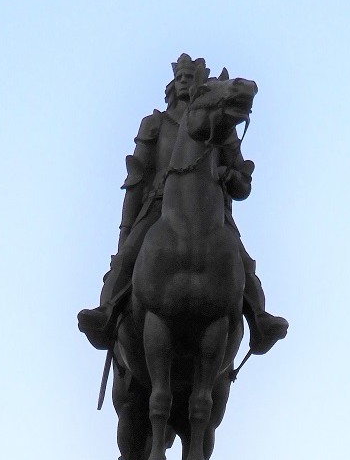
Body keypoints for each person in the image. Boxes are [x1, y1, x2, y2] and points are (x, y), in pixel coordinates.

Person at [78, 54, 288, 353]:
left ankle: (259, 319)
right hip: (160, 205)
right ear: (172, 86)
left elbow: (241, 181)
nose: (185, 84)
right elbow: (137, 177)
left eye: (191, 79)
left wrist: (232, 177)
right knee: (129, 256)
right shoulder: (156, 123)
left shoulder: (219, 123)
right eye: (180, 79)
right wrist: (126, 229)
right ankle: (106, 312)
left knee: (242, 261)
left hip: (210, 209)